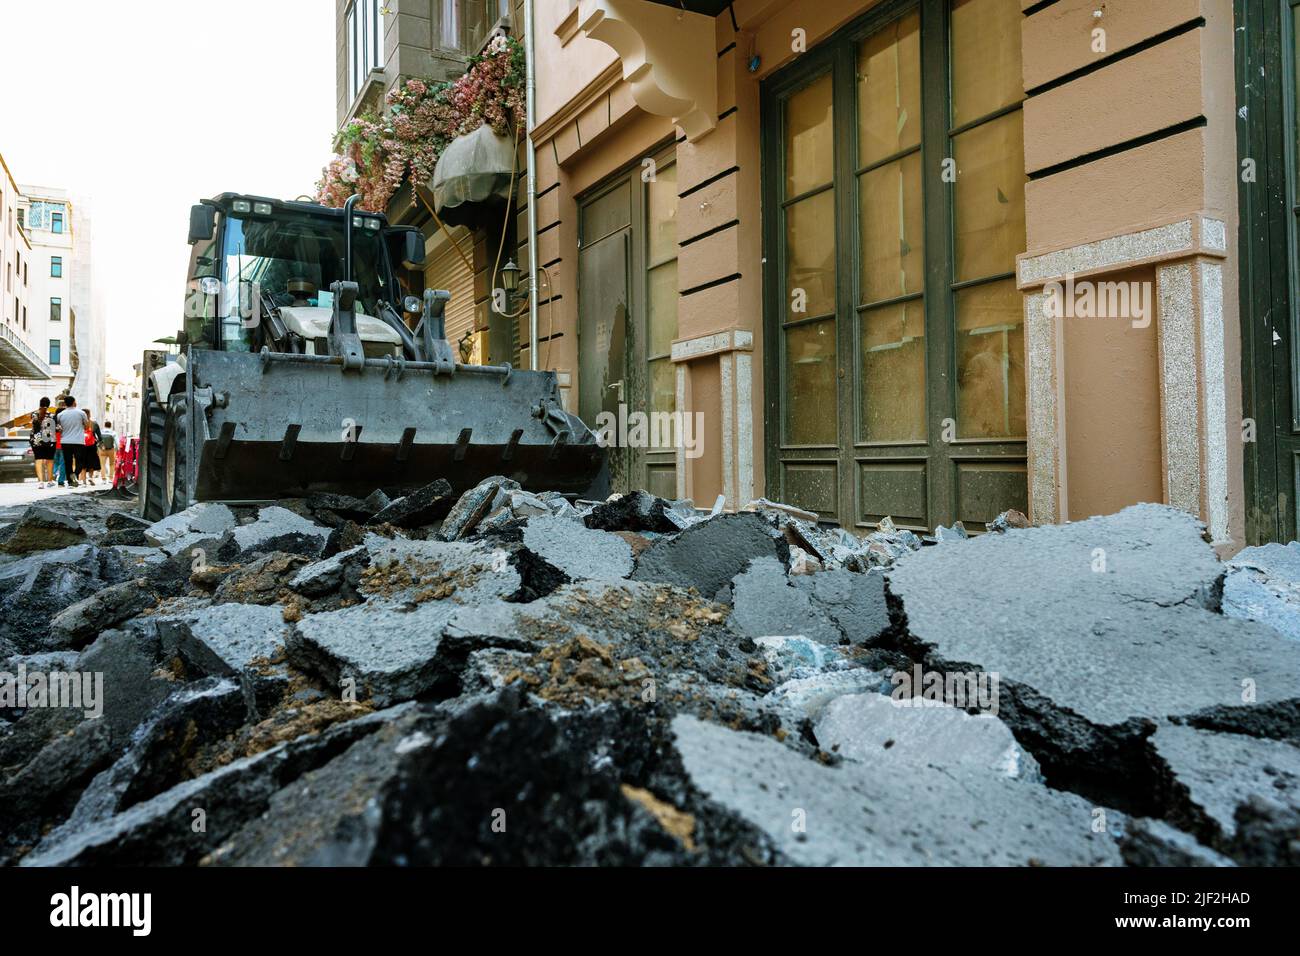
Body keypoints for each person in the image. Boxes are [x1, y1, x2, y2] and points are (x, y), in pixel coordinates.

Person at [56, 395, 90, 489]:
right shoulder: (81, 413)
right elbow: (87, 427)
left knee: (68, 462)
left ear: (65, 403)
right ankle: (75, 474)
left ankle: (70, 482)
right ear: (74, 402)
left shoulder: (60, 415)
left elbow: (59, 428)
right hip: (79, 441)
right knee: (80, 461)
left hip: (65, 441)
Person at [29, 397, 56, 488]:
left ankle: (40, 482)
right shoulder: (52, 415)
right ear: (49, 405)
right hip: (49, 440)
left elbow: (34, 425)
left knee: (38, 459)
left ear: (40, 403)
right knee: (49, 460)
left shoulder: (34, 414)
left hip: (36, 440)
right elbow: (57, 428)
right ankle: (50, 480)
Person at [99, 419, 117, 484]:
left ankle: (103, 479)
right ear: (110, 426)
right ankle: (110, 479)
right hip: (111, 450)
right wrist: (117, 449)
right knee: (112, 464)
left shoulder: (101, 432)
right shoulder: (113, 433)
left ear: (104, 425)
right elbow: (116, 443)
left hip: (102, 450)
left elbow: (98, 440)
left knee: (102, 464)